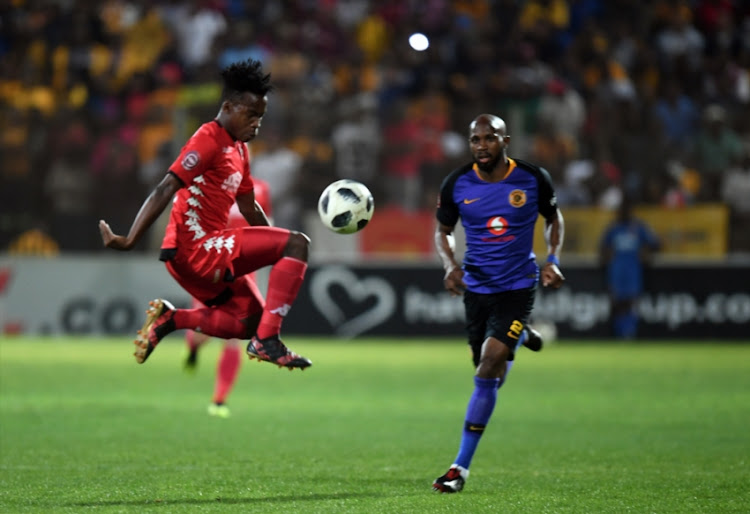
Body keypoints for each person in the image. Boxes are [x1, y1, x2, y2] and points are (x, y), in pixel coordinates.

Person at [98, 58, 312, 370]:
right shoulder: (208, 138)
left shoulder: (238, 149)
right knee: (298, 244)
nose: (257, 123)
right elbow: (165, 187)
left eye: (261, 117)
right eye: (251, 115)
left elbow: (250, 207)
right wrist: (130, 239)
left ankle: (173, 319)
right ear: (228, 107)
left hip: (206, 251)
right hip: (193, 248)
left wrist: (272, 249)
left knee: (249, 322)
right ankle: (268, 342)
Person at [432, 114, 565, 493]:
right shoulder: (457, 183)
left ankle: (459, 468)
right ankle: (520, 337)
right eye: (475, 139)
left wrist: (552, 258)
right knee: (491, 373)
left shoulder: (532, 178)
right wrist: (450, 266)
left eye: (490, 139)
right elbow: (442, 230)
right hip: (477, 288)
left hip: (518, 286)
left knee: (490, 364)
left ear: (506, 140)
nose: (481, 146)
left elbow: (554, 218)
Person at [183, 177, 273, 418]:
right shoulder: (205, 185)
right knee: (201, 333)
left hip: (243, 267)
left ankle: (219, 400)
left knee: (234, 334)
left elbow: (265, 226)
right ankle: (193, 347)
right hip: (210, 264)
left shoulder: (261, 189)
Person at [599, 199, 660, 339]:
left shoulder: (638, 228)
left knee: (631, 302)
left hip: (633, 270)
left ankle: (630, 333)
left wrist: (646, 252)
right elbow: (602, 249)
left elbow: (655, 244)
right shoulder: (613, 229)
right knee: (617, 303)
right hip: (616, 271)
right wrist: (607, 255)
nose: (622, 213)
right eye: (620, 210)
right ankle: (619, 334)